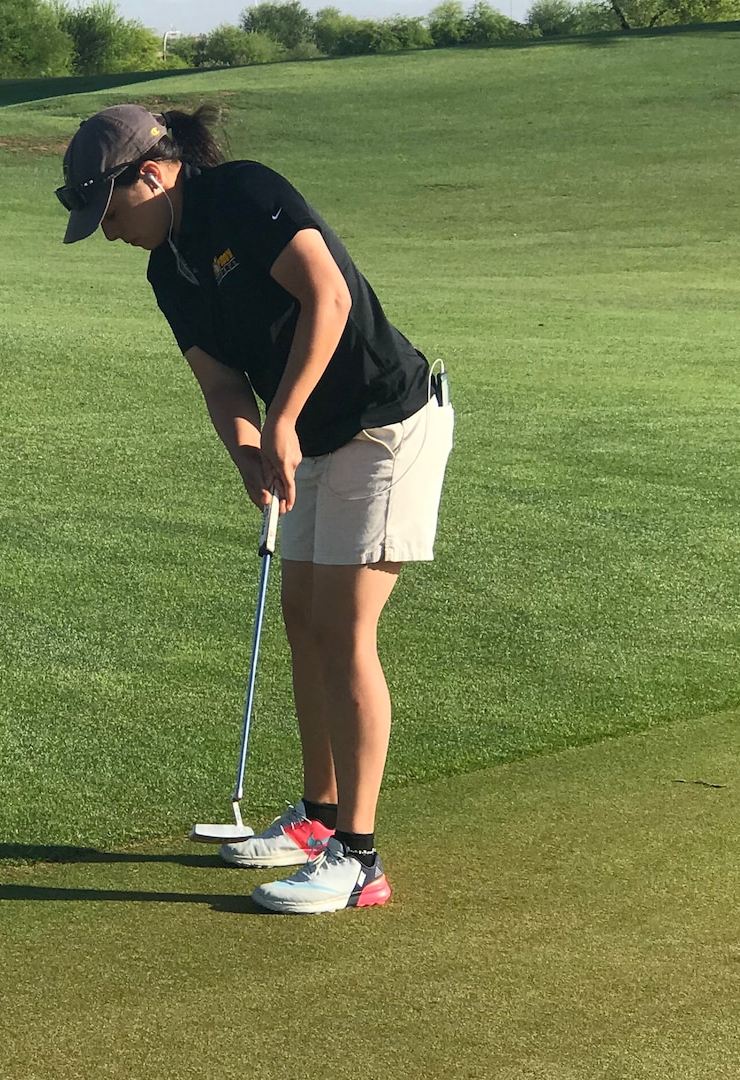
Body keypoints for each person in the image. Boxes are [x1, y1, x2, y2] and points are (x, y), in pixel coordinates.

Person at [56, 104, 453, 914]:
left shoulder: (244, 194)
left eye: (111, 211)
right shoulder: (167, 270)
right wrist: (247, 449)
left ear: (153, 175)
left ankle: (360, 860)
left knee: (345, 631)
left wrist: (282, 420)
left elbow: (328, 298)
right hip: (310, 437)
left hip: (385, 424)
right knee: (302, 618)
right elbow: (220, 382)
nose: (107, 232)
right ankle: (317, 820)